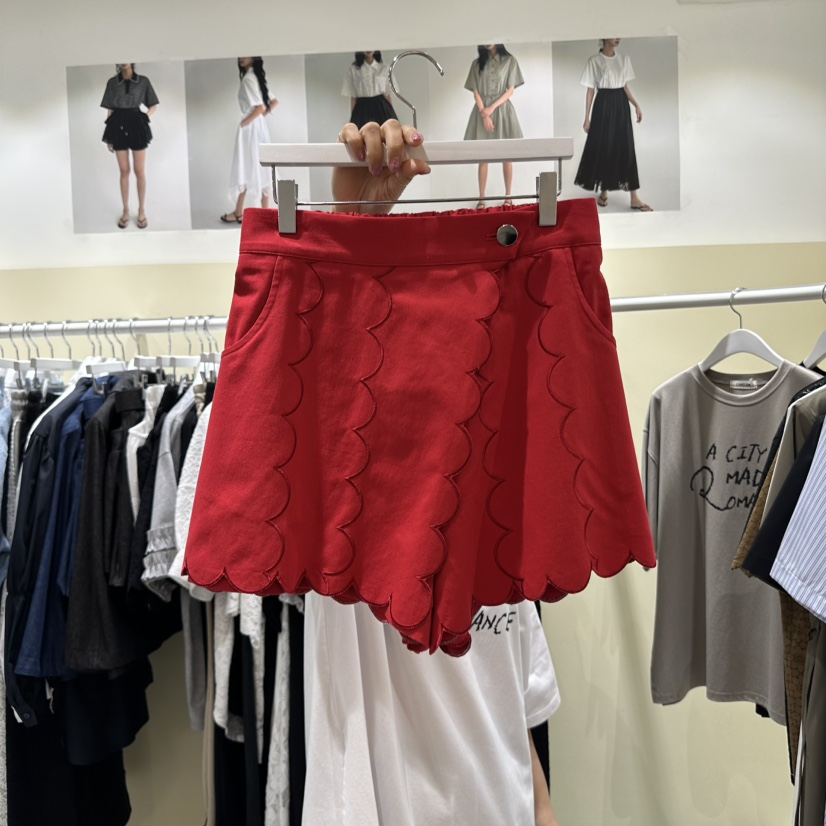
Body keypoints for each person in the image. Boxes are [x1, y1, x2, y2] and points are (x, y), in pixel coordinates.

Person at [310, 119, 561, 826]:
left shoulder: (500, 514)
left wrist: (544, 812)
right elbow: (321, 374)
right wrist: (358, 224)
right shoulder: (345, 496)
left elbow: (516, 711)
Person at [574, 38, 653, 212]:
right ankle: (604, 189)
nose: (618, 38)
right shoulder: (594, 61)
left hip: (621, 105)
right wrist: (587, 117)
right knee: (605, 147)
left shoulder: (623, 59)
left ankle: (634, 197)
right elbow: (590, 90)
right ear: (604, 36)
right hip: (603, 105)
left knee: (626, 147)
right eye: (613, 34)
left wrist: (636, 105)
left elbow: (624, 86)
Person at [463, 44, 525, 209]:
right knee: (483, 157)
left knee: (507, 156)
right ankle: (482, 198)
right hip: (482, 111)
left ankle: (508, 196)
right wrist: (484, 114)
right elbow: (475, 92)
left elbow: (510, 90)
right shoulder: (477, 64)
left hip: (502, 111)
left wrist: (491, 108)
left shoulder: (510, 61)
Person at [220, 57, 279, 224]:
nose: (241, 58)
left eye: (246, 55)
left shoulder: (248, 79)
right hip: (259, 128)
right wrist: (259, 118)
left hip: (250, 130)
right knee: (260, 167)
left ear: (253, 58)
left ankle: (240, 212)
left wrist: (245, 122)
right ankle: (263, 213)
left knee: (245, 167)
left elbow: (260, 107)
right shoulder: (257, 77)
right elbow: (273, 102)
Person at [100, 63, 159, 229]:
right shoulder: (112, 83)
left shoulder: (143, 81)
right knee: (124, 170)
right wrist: (110, 136)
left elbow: (153, 105)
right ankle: (126, 210)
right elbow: (110, 109)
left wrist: (144, 119)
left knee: (139, 171)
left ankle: (141, 210)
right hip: (117, 125)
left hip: (137, 125)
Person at [341, 51, 398, 130]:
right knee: (361, 133)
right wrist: (353, 119)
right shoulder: (354, 70)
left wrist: (391, 115)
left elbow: (388, 95)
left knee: (386, 132)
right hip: (361, 108)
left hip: (381, 106)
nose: (368, 50)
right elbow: (353, 97)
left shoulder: (384, 68)